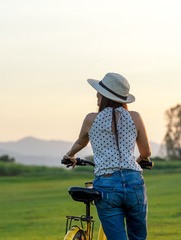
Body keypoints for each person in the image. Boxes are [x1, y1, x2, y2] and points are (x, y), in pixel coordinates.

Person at [63, 73, 151, 240]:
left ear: (104, 95)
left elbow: (80, 143)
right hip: (134, 183)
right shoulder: (136, 117)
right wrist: (139, 161)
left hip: (107, 183)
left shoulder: (91, 119)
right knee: (139, 237)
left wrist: (70, 155)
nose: (96, 94)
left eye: (99, 92)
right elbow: (146, 153)